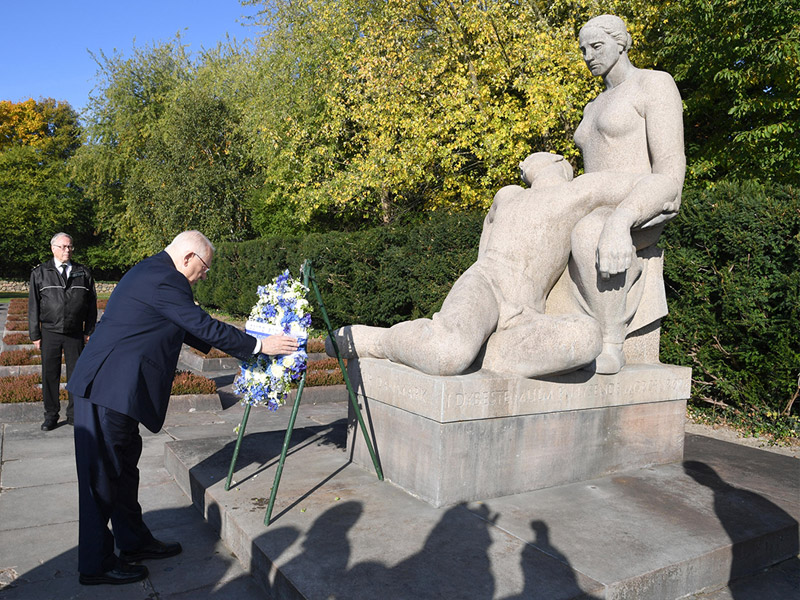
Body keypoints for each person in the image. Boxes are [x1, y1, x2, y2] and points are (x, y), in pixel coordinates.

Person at [67, 230, 298, 586]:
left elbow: (192, 328)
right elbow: (200, 324)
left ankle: (133, 541)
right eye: (205, 267)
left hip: (115, 390)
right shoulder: (164, 278)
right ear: (189, 257)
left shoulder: (155, 273)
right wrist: (259, 346)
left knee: (124, 470)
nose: (205, 275)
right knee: (101, 477)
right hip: (105, 388)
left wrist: (250, 341)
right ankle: (95, 564)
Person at [327, 153, 678, 378]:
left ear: (557, 160)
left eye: (528, 160)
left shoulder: (581, 191)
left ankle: (481, 350)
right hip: (486, 282)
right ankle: (380, 341)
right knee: (446, 354)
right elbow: (482, 252)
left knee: (585, 339)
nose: (523, 166)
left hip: (527, 312)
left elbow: (663, 185)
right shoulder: (508, 195)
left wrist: (620, 221)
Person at [566, 14, 685, 374]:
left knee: (590, 231)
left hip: (639, 207)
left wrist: (621, 219)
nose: (588, 55)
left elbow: (670, 173)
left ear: (622, 43)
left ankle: (610, 342)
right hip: (589, 204)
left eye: (597, 46)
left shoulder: (653, 84)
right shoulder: (592, 106)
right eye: (584, 49)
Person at [28, 233, 97, 431]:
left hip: (75, 333)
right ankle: (51, 415)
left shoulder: (83, 272)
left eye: (70, 247)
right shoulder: (40, 273)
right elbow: (33, 305)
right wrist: (35, 334)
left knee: (76, 375)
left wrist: (89, 330)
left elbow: (91, 304)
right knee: (50, 375)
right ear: (53, 248)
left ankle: (75, 414)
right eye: (64, 246)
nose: (68, 250)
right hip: (50, 332)